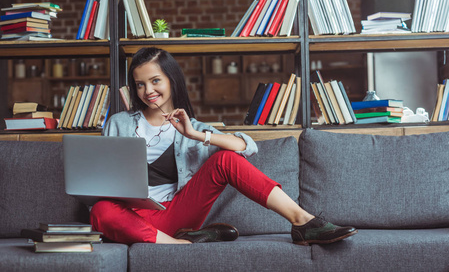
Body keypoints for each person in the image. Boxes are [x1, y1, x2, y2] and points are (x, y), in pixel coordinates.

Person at [90, 47, 357, 245]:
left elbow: (246, 146)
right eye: (140, 84)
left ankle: (302, 222)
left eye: (155, 80)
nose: (148, 90)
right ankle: (179, 243)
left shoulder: (191, 126)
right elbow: (101, 181)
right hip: (129, 218)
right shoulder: (119, 123)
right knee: (101, 210)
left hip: (175, 213)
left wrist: (195, 134)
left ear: (171, 79)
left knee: (225, 160)